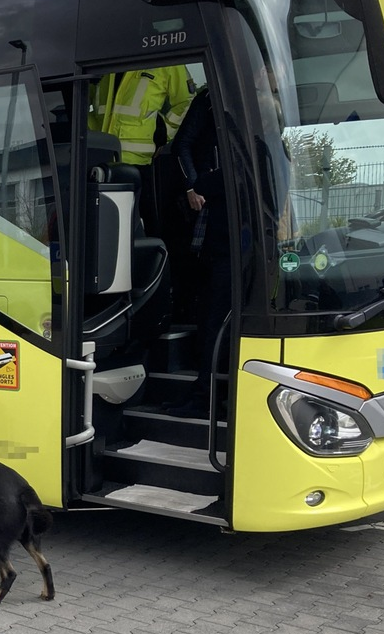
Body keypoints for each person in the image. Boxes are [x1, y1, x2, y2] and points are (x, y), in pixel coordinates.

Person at [167, 85, 230, 418]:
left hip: (245, 230)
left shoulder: (265, 113)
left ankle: (214, 394)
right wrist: (194, 184)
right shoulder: (211, 98)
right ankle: (204, 396)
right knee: (211, 314)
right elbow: (183, 144)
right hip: (218, 225)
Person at [88, 67, 196, 233]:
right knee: (103, 230)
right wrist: (92, 135)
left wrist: (163, 132)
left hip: (138, 164)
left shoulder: (164, 56)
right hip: (101, 160)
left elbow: (187, 102)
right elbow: (81, 102)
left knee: (136, 231)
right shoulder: (105, 54)